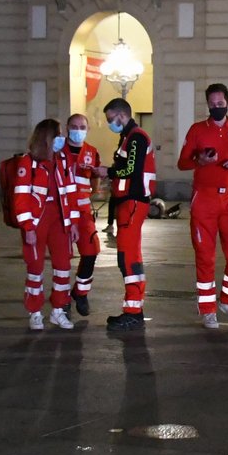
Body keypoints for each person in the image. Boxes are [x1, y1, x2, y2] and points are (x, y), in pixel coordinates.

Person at [178, 83, 228, 329]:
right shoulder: (198, 130)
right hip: (204, 198)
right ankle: (208, 309)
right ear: (208, 104)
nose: (216, 107)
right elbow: (182, 163)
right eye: (212, 104)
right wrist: (200, 160)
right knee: (205, 256)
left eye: (220, 104)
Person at [96, 98, 156, 331]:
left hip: (133, 201)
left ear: (122, 116)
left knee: (128, 257)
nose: (110, 123)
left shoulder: (136, 137)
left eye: (111, 119)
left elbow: (131, 168)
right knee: (130, 256)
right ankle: (134, 309)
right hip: (129, 201)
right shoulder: (129, 137)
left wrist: (107, 171)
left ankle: (133, 311)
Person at [12, 118, 76, 331]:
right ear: (47, 138)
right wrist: (28, 227)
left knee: (64, 267)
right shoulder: (27, 163)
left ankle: (58, 310)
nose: (62, 139)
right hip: (37, 222)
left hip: (59, 221)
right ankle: (35, 312)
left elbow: (70, 192)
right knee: (35, 269)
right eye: (58, 135)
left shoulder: (63, 161)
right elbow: (20, 199)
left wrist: (73, 223)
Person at [60, 114, 103, 318]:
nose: (78, 129)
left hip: (84, 213)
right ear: (67, 127)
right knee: (62, 259)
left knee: (91, 251)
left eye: (82, 126)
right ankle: (61, 300)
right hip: (61, 212)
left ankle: (80, 292)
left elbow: (95, 180)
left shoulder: (92, 152)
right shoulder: (57, 150)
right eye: (74, 126)